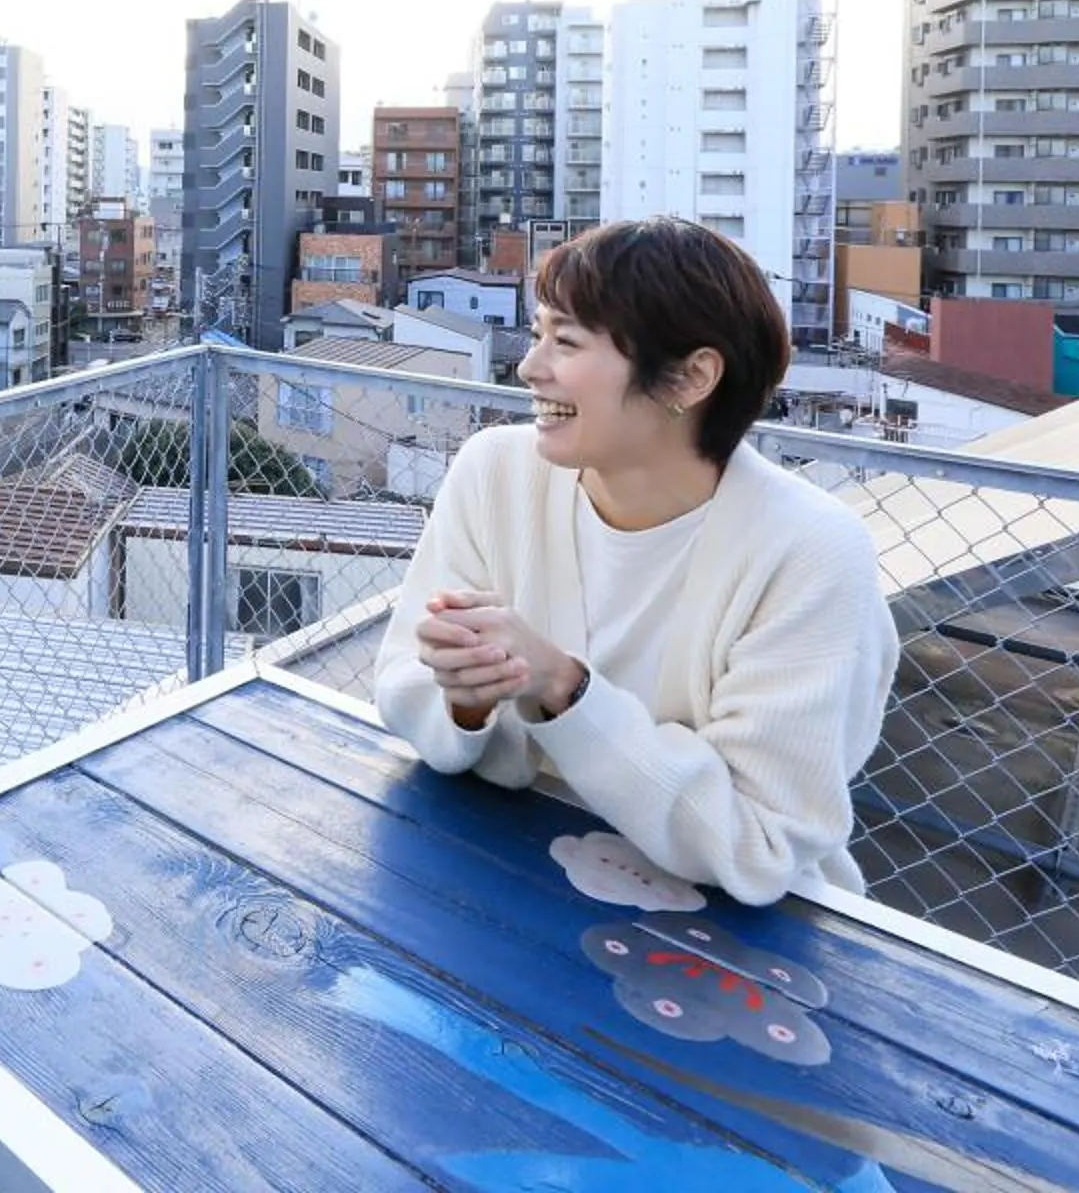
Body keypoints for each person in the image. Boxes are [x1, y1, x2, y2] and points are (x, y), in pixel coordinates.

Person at [374, 217, 899, 905]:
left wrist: (562, 686)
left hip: (740, 943)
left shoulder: (810, 550)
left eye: (565, 341)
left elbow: (761, 844)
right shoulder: (494, 471)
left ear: (690, 377)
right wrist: (465, 704)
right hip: (511, 866)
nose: (530, 367)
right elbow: (402, 687)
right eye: (538, 335)